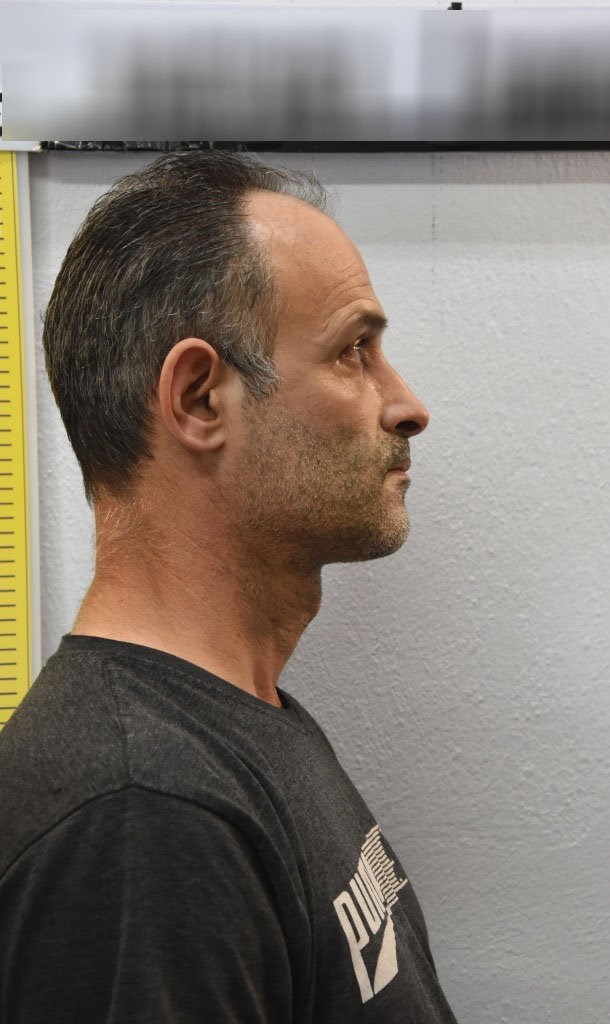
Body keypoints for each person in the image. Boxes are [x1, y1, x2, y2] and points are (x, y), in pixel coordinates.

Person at [0, 150, 458, 1021]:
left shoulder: (235, 726)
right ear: (201, 398)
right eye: (353, 351)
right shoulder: (142, 817)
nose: (407, 404)